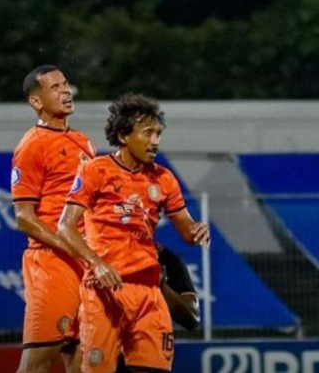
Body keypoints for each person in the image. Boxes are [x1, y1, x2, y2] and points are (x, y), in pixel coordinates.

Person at [57, 92, 209, 373]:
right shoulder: (95, 171)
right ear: (124, 135)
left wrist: (197, 230)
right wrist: (96, 263)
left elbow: (187, 231)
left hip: (149, 293)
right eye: (147, 133)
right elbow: (65, 226)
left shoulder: (163, 178)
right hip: (105, 292)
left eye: (158, 133)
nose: (155, 141)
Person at [11, 65, 95, 373]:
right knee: (38, 362)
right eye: (55, 87)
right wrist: (75, 247)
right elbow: (24, 218)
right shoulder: (31, 145)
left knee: (83, 357)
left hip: (84, 264)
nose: (65, 91)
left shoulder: (84, 141)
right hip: (52, 264)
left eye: (65, 84)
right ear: (36, 101)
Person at [115, 243, 200, 373]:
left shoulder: (166, 259)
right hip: (103, 351)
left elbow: (192, 318)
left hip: (146, 358)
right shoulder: (96, 252)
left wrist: (159, 284)